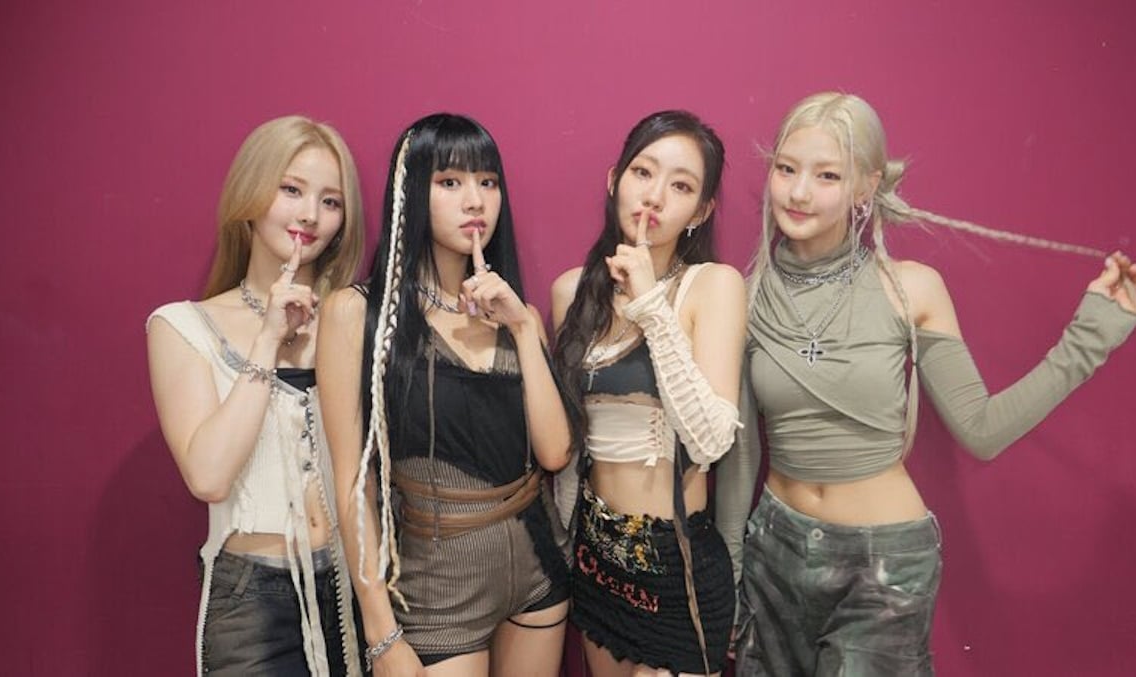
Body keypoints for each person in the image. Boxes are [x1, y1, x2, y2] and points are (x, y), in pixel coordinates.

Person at [715, 91, 1136, 676]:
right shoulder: (746, 298)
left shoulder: (910, 289)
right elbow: (741, 454)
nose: (798, 192)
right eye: (786, 168)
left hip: (882, 567)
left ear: (866, 187)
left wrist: (1090, 338)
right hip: (773, 553)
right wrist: (728, 577)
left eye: (827, 175)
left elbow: (981, 430)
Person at [317, 113, 575, 677]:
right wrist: (381, 632)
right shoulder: (357, 313)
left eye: (488, 181)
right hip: (435, 586)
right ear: (411, 191)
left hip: (537, 567)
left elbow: (555, 453)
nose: (475, 200)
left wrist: (523, 328)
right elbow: (352, 482)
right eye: (450, 181)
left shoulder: (519, 315)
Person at [147, 115, 366, 675]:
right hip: (252, 600)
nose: (310, 215)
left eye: (331, 201)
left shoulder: (352, 319)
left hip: (353, 587)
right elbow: (209, 477)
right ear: (250, 193)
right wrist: (267, 339)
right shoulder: (182, 326)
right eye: (291, 190)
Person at [551, 110, 747, 677]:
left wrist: (651, 307)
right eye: (643, 172)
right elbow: (570, 446)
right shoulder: (570, 292)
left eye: (681, 186)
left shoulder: (714, 285)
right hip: (597, 559)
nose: (655, 196)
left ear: (701, 211)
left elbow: (709, 442)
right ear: (615, 180)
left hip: (675, 562)